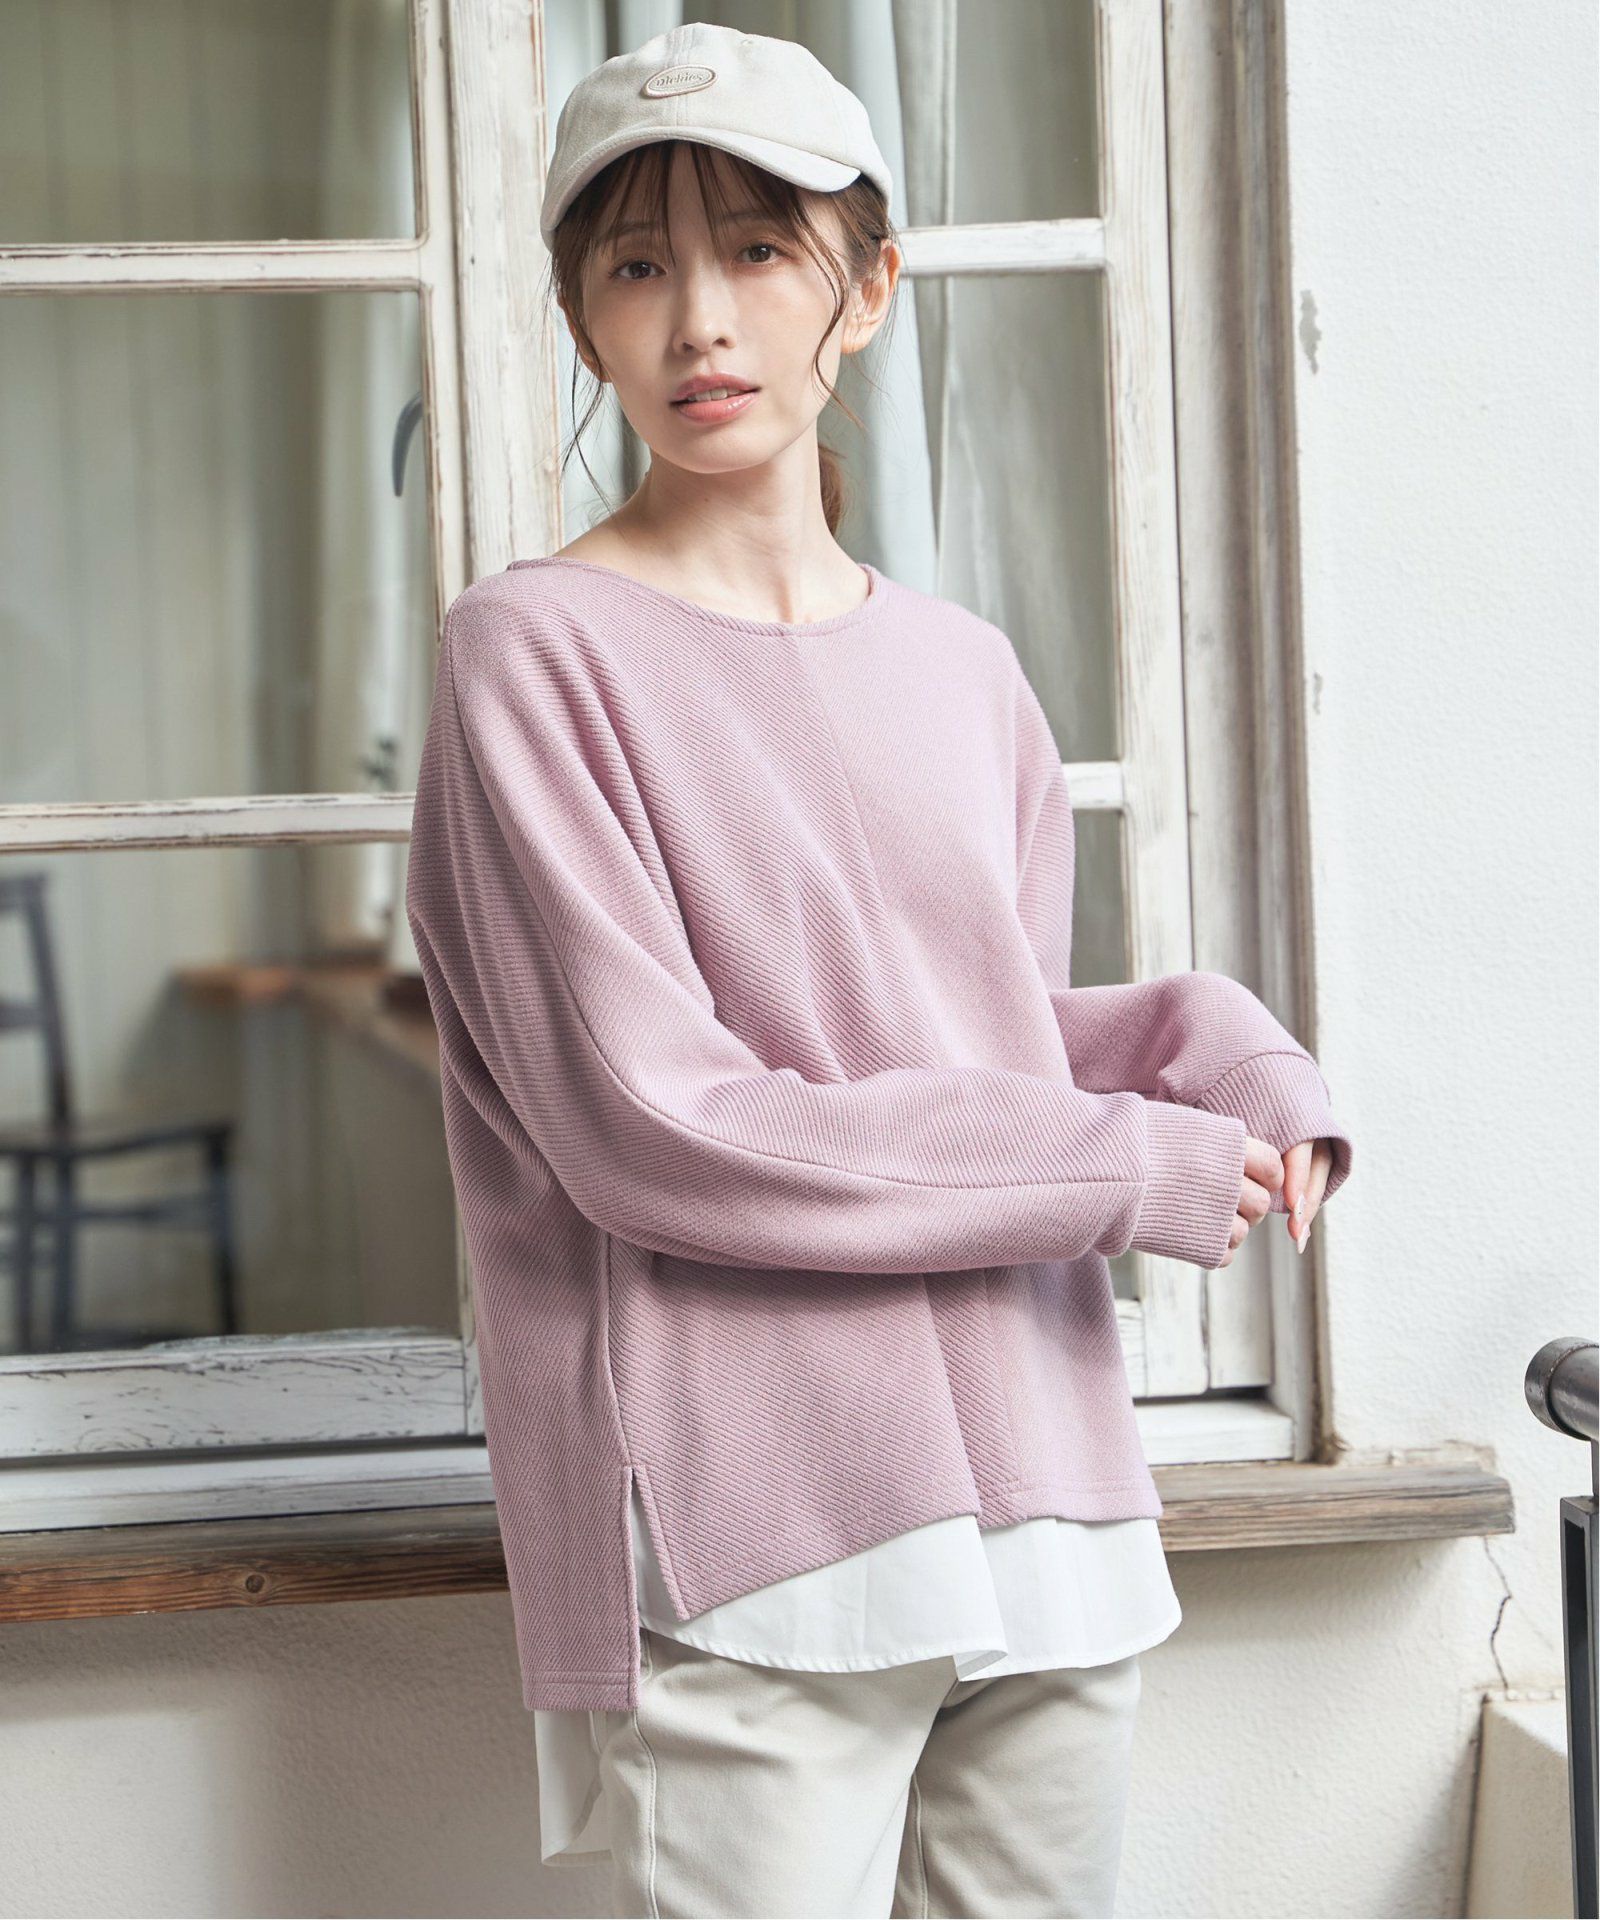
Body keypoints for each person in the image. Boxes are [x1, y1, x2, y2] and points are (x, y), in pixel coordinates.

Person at [404, 22, 1354, 1919]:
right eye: (638, 264)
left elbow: (978, 1046)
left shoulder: (963, 668)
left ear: (868, 286)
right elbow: (660, 1125)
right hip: (763, 1532)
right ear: (581, 316)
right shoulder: (533, 656)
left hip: (1054, 1504)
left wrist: (1217, 1053)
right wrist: (1125, 1165)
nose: (699, 320)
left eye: (759, 250)